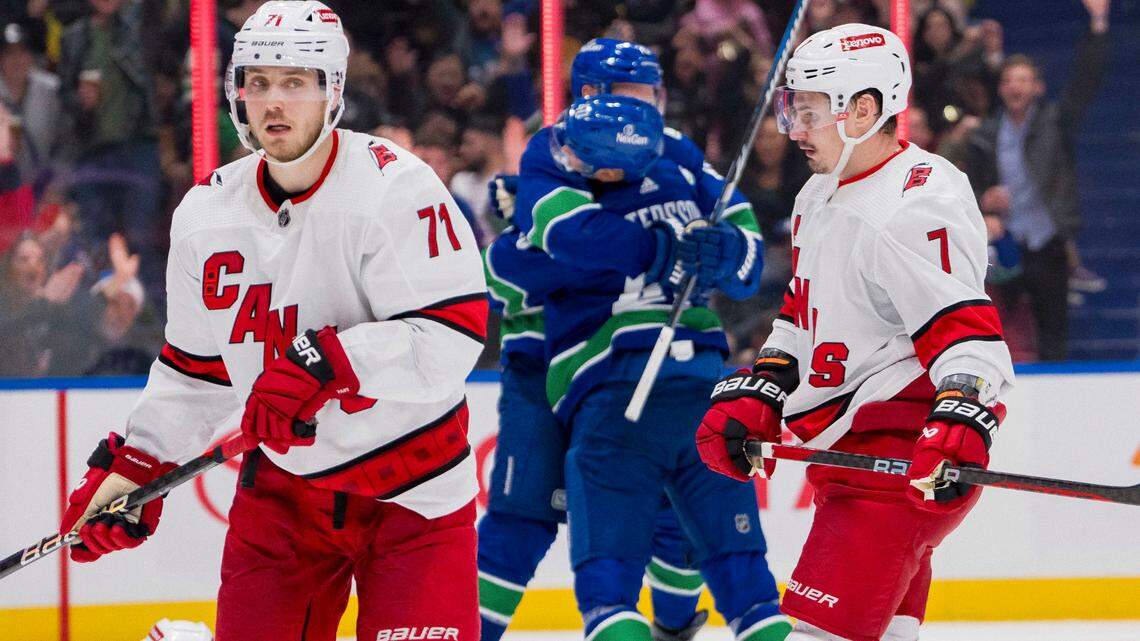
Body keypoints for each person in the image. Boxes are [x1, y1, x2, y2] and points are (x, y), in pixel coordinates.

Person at [56, 4, 487, 641]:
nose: (272, 101)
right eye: (257, 82)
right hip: (285, 496)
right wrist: (138, 465)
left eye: (294, 81)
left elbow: (453, 339)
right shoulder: (205, 213)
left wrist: (333, 362)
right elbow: (195, 374)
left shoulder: (396, 189)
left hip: (413, 493)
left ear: (331, 90)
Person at [695, 24, 1014, 641]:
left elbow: (966, 334)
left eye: (808, 111)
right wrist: (766, 385)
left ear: (864, 110)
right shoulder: (819, 194)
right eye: (793, 109)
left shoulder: (917, 204)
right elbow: (801, 312)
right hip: (848, 457)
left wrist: (963, 413)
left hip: (898, 465)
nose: (793, 129)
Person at [507, 37, 790, 641]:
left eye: (652, 91)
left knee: (730, 580)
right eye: (634, 92)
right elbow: (559, 233)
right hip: (609, 378)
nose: (649, 105)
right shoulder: (557, 151)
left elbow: (745, 259)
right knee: (650, 565)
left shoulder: (681, 154)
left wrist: (723, 255)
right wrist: (662, 250)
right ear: (590, 95)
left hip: (698, 386)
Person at [478, 174, 710, 641]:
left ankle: (674, 625)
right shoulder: (517, 246)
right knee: (519, 521)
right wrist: (543, 224)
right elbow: (495, 280)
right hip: (542, 377)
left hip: (622, 375)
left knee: (671, 510)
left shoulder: (651, 210)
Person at [963, 0, 1110, 361]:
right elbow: (968, 187)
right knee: (993, 330)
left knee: (1052, 333)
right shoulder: (985, 133)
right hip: (1004, 245)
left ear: (1037, 87)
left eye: (1024, 80)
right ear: (1001, 88)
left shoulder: (1054, 124)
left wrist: (1098, 26)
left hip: (1046, 241)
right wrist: (984, 201)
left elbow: (1084, 84)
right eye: (1009, 81)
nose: (1016, 87)